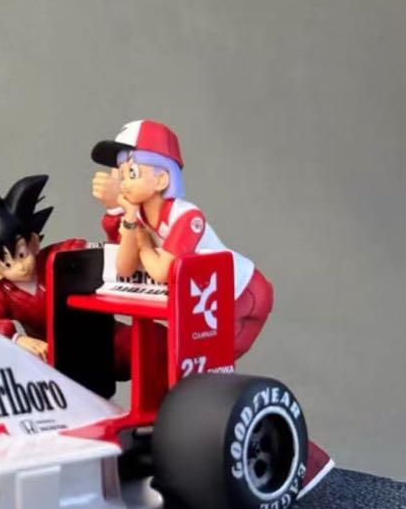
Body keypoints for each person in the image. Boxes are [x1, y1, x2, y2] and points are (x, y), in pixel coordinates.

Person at [91, 119, 273, 359]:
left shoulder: (186, 216)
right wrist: (128, 215)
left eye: (132, 173)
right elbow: (124, 268)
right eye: (121, 174)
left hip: (241, 293)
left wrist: (143, 244)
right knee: (184, 362)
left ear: (162, 180)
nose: (123, 184)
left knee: (204, 362)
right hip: (206, 296)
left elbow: (162, 272)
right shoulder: (139, 212)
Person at [0, 173, 88, 362]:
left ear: (33, 243)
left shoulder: (57, 258)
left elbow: (96, 251)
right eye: (7, 264)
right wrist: (16, 338)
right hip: (53, 355)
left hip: (99, 333)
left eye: (21, 254)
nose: (20, 267)